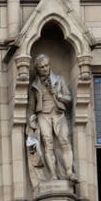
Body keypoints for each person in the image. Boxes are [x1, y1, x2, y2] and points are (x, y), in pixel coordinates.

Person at [28, 53, 77, 183]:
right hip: (43, 114)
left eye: (46, 65)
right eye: (41, 67)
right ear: (37, 69)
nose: (45, 68)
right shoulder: (35, 85)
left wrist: (59, 95)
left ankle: (69, 172)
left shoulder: (59, 80)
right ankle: (53, 175)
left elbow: (69, 98)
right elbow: (31, 107)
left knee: (65, 141)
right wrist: (31, 119)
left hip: (58, 113)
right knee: (47, 143)